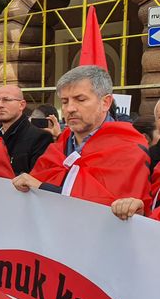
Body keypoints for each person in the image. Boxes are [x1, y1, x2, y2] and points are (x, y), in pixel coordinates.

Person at [10, 66, 152, 220]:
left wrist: (42, 189)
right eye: (64, 101)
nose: (69, 108)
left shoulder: (129, 148)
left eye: (80, 99)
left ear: (106, 102)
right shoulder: (58, 146)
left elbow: (106, 210)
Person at [0, 85, 53, 175]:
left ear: (21, 105)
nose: (0, 105)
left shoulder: (40, 138)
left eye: (6, 100)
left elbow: (38, 179)